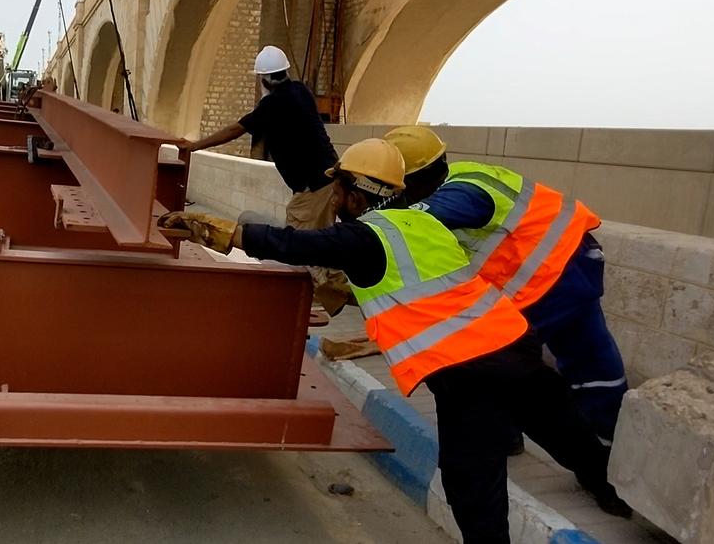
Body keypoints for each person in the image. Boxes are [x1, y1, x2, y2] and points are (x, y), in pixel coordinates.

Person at [161, 139, 630, 543]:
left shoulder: (365, 238)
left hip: (468, 373)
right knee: (566, 432)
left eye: (340, 189)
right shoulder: (421, 223)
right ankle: (609, 494)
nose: (336, 197)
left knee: (473, 487)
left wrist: (222, 229)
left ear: (353, 194)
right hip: (515, 343)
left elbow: (293, 244)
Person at [383, 126, 627, 446]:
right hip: (577, 263)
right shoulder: (468, 174)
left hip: (546, 281)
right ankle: (611, 434)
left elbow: (408, 226)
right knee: (588, 353)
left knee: (500, 360)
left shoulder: (457, 198)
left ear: (410, 181)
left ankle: (518, 433)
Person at [180, 45, 348, 314]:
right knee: (324, 239)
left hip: (312, 187)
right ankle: (340, 291)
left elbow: (236, 129)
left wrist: (195, 146)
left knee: (300, 244)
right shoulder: (301, 91)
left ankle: (326, 300)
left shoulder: (272, 104)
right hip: (332, 179)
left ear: (264, 79)